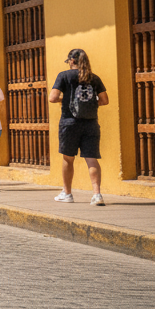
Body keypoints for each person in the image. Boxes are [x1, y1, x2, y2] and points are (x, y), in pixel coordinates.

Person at [49, 49, 109, 205]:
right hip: (90, 123)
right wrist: (88, 103)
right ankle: (97, 195)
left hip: (69, 122)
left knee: (68, 159)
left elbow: (52, 98)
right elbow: (104, 100)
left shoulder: (64, 76)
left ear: (71, 61)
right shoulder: (94, 78)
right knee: (92, 159)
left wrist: (65, 100)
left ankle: (67, 194)